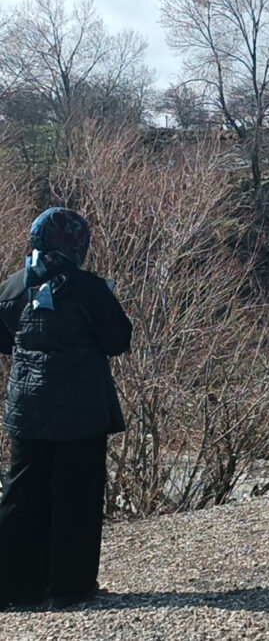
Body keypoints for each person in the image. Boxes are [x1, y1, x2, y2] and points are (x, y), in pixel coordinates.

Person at [0, 207, 132, 610]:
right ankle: (69, 587)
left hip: (27, 408)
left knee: (22, 494)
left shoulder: (14, 285)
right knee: (77, 495)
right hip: (80, 409)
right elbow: (117, 339)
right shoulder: (87, 288)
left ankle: (15, 587)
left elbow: (3, 342)